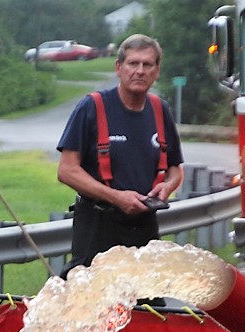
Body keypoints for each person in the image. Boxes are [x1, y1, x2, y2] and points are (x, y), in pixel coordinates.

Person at [56, 34, 184, 278]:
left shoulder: (160, 110)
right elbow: (66, 170)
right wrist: (115, 197)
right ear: (118, 68)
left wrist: (167, 187)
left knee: (148, 309)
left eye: (148, 65)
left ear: (157, 71)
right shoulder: (92, 107)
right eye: (133, 63)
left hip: (144, 228)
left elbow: (176, 169)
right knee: (95, 309)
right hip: (98, 226)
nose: (140, 71)